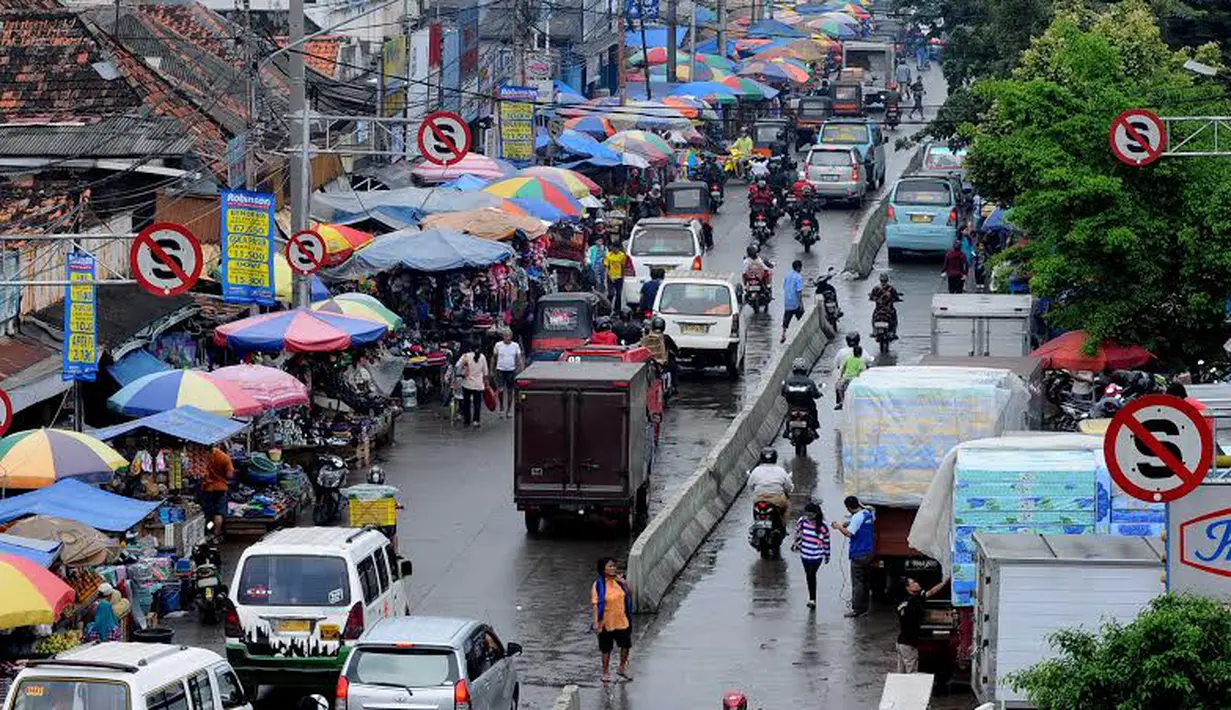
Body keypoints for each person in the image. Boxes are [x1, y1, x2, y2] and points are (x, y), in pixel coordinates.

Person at [590, 557, 633, 683]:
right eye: (610, 566)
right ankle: (605, 672)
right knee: (606, 649)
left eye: (614, 566)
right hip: (606, 622)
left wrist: (624, 583)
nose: (613, 568)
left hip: (622, 620)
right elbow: (595, 604)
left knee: (626, 645)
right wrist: (596, 622)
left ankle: (621, 668)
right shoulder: (598, 585)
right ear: (603, 569)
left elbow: (630, 594)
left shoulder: (619, 582)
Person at [833, 496, 876, 617]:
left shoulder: (857, 517)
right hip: (869, 552)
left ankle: (857, 609)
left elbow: (849, 533)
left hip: (858, 553)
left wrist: (838, 526)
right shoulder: (868, 513)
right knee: (866, 581)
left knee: (858, 582)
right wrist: (849, 523)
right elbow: (859, 524)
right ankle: (865, 608)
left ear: (848, 507)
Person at [897, 576, 948, 672]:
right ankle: (911, 687)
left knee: (901, 673)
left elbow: (931, 592)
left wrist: (944, 582)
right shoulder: (914, 602)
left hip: (902, 642)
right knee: (911, 670)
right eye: (913, 582)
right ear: (908, 588)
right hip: (908, 644)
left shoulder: (907, 601)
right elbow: (930, 593)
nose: (917, 583)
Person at [792, 501, 831, 609]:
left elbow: (827, 541)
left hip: (817, 555)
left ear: (816, 513)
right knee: (809, 576)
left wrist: (827, 555)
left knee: (811, 574)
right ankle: (812, 598)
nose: (809, 516)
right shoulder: (802, 521)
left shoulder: (823, 525)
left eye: (811, 514)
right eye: (807, 514)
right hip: (804, 554)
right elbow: (797, 533)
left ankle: (812, 599)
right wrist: (796, 544)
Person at [748, 447, 793, 517]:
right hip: (777, 499)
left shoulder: (756, 470)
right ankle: (783, 525)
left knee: (755, 507)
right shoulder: (780, 471)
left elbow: (750, 485)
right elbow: (788, 487)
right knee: (787, 505)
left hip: (759, 498)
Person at [201, 443, 234, 541]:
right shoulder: (225, 458)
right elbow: (230, 475)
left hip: (207, 488)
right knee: (218, 513)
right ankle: (216, 534)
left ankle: (208, 532)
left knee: (208, 514)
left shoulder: (202, 458)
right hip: (220, 489)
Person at [781, 356, 822, 431]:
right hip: (806, 405)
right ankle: (815, 425)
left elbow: (783, 393)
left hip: (792, 405)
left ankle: (787, 430)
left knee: (788, 412)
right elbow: (815, 394)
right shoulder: (809, 381)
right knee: (814, 409)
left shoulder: (788, 381)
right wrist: (819, 394)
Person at [457, 341, 488, 428]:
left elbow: (458, 366)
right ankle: (476, 421)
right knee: (477, 403)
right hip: (478, 384)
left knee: (466, 403)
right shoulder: (482, 357)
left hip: (467, 383)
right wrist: (486, 382)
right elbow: (485, 372)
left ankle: (467, 421)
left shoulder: (466, 356)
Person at [492, 328, 522, 419]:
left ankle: (508, 410)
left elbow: (518, 359)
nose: (508, 338)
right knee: (500, 390)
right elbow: (494, 358)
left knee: (510, 391)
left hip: (511, 371)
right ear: (503, 337)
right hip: (500, 370)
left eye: (509, 336)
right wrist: (491, 370)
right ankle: (501, 407)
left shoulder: (515, 346)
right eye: (506, 336)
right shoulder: (498, 345)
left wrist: (520, 370)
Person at [869, 272, 903, 338]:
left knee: (874, 317)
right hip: (889, 310)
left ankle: (874, 331)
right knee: (894, 318)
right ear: (887, 280)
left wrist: (876, 299)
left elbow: (871, 297)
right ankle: (893, 332)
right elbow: (896, 297)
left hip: (879, 310)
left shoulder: (875, 288)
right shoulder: (891, 289)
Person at [835, 344, 868, 409]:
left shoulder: (848, 359)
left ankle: (842, 401)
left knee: (838, 387)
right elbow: (862, 371)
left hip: (845, 377)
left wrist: (841, 376)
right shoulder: (861, 361)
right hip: (854, 379)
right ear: (860, 354)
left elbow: (843, 368)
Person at [781, 260, 805, 343]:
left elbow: (784, 287)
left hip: (787, 302)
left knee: (786, 319)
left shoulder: (787, 275)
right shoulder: (798, 277)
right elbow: (798, 291)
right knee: (802, 318)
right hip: (795, 303)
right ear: (798, 267)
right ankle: (802, 335)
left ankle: (783, 334)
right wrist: (801, 303)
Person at [604, 241, 630, 309]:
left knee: (618, 294)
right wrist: (609, 276)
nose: (616, 250)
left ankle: (617, 309)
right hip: (610, 277)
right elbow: (606, 267)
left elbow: (623, 266)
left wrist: (623, 276)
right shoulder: (608, 255)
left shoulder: (622, 255)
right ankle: (607, 308)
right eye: (614, 248)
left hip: (619, 277)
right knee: (610, 294)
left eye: (617, 248)